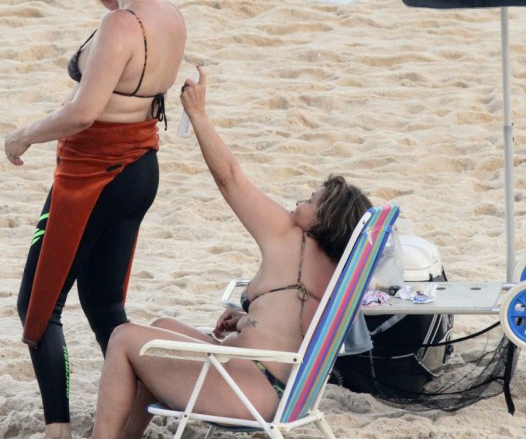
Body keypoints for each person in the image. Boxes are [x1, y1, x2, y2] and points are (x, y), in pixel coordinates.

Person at [90, 67, 373, 439]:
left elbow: (229, 177)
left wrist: (198, 114)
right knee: (161, 328)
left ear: (325, 219)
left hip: (246, 390)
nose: (298, 202)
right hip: (281, 389)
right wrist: (244, 321)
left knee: (124, 337)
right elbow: (285, 325)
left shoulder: (291, 237)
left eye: (310, 200)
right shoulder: (337, 267)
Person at [5, 0, 186, 439]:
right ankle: (141, 405)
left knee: (39, 305)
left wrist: (25, 134)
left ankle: (58, 427)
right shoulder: (170, 18)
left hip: (94, 176)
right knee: (104, 303)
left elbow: (83, 113)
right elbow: (134, 70)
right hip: (139, 170)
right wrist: (115, 8)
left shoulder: (119, 28)